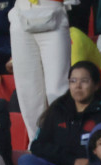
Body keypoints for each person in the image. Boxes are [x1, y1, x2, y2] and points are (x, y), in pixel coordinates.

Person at [8, 0, 71, 144]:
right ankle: (35, 143)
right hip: (21, 12)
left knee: (57, 89)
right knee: (28, 92)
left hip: (52, 11)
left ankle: (64, 142)